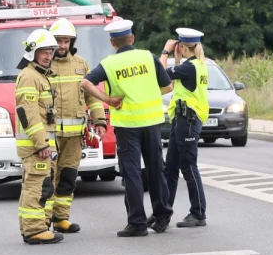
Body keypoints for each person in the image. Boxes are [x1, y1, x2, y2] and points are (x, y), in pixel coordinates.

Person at [80, 19, 174, 237]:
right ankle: (161, 217)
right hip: (151, 123)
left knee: (131, 174)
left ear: (113, 42)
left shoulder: (109, 64)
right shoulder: (148, 57)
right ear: (132, 38)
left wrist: (108, 100)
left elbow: (85, 83)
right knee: (156, 170)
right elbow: (168, 85)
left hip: (126, 126)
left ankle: (137, 223)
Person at [47, 17, 108, 234]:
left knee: (68, 178)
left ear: (72, 42)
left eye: (66, 41)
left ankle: (61, 219)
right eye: (59, 41)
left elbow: (92, 96)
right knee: (47, 179)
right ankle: (43, 221)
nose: (63, 45)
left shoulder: (81, 64)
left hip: (74, 137)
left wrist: (99, 120)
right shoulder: (42, 65)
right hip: (49, 136)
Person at [14, 29, 63, 245]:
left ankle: (38, 227)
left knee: (41, 186)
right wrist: (41, 143)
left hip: (41, 146)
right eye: (43, 51)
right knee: (36, 187)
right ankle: (34, 230)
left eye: (50, 51)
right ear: (32, 52)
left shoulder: (40, 75)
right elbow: (28, 112)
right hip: (36, 146)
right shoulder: (29, 76)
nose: (47, 55)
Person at [158, 28, 209, 227]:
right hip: (183, 121)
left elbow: (161, 76)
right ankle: (164, 212)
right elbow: (176, 81)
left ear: (181, 46)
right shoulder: (197, 65)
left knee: (188, 167)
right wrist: (177, 59)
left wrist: (165, 52)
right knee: (170, 168)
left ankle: (198, 213)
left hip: (187, 121)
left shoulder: (190, 67)